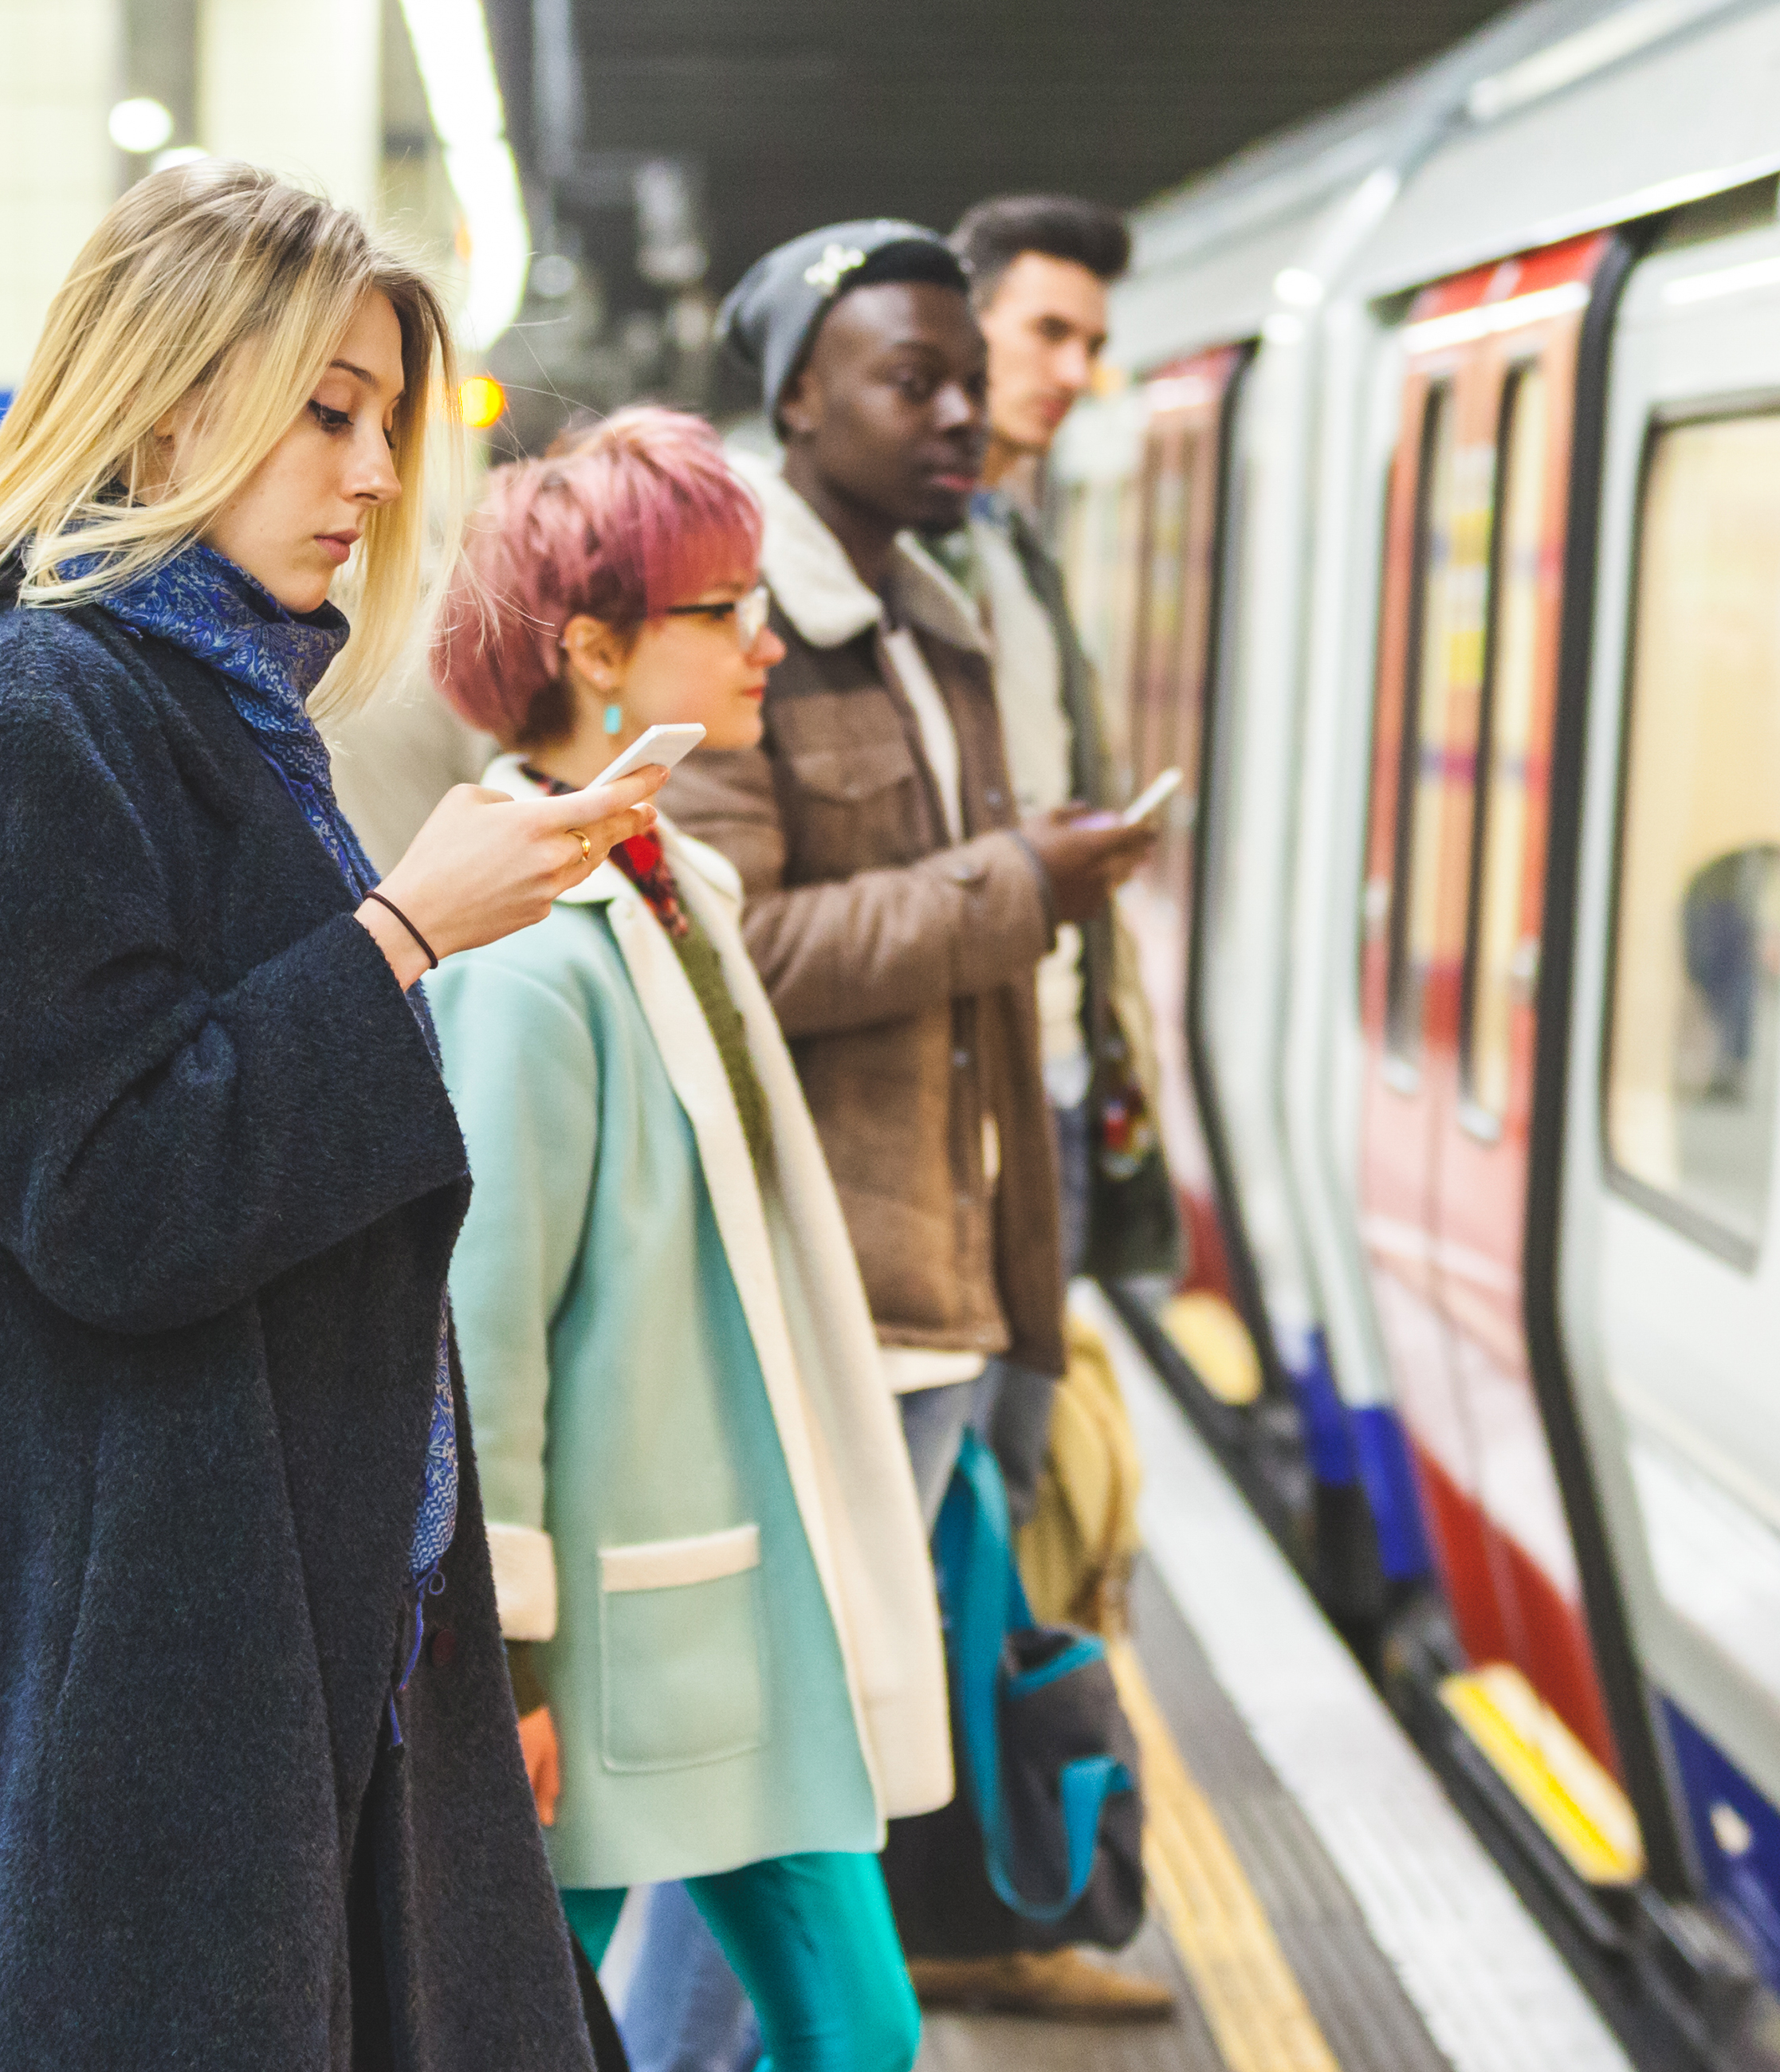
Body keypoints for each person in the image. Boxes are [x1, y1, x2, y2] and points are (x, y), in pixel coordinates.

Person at [0, 160, 669, 2070]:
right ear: (170, 399)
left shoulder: (212, 712)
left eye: (384, 417)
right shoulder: (39, 715)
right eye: (327, 409)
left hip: (278, 1632)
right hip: (129, 1680)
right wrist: (405, 929)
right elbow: (112, 1196)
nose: (375, 475)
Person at [664, 218, 1169, 2025]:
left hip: (939, 1281)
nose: (964, 414)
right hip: (830, 1299)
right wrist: (1014, 883)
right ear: (799, 394)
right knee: (778, 1790)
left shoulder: (935, 616)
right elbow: (741, 942)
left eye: (972, 378)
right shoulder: (746, 632)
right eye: (915, 379)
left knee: (819, 1783)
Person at [426, 406, 949, 2072]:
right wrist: (500, 1664)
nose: (766, 639)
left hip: (732, 1600)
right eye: (724, 609)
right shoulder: (527, 963)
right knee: (530, 2024)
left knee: (853, 2025)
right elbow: (482, 1331)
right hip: (607, 1636)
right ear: (592, 649)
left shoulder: (669, 880)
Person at [937, 193, 1183, 1525]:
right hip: (970, 1094)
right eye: (1048, 332)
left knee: (1013, 1480)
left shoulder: (1014, 545)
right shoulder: (898, 557)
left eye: (1091, 342)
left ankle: (992, 1717)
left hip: (1057, 1066)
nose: (1076, 374)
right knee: (968, 1490)